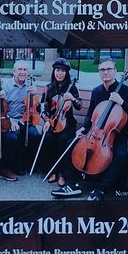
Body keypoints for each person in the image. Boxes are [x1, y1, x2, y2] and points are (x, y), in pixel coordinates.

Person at [52, 58, 128, 201]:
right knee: (70, 143)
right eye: (102, 70)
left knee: (121, 156)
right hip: (95, 132)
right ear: (99, 73)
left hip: (116, 135)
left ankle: (100, 190)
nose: (106, 72)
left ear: (115, 71)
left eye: (109, 69)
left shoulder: (125, 90)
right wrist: (84, 129)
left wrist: (121, 102)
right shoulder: (97, 91)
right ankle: (72, 184)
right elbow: (90, 115)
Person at [38, 57, 80, 185]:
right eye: (57, 70)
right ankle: (52, 170)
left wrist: (72, 99)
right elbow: (43, 107)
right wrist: (45, 120)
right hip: (52, 122)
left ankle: (63, 173)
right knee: (48, 138)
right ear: (54, 72)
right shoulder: (48, 88)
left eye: (62, 71)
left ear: (66, 73)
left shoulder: (71, 87)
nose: (59, 73)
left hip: (68, 124)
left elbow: (79, 105)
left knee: (63, 140)